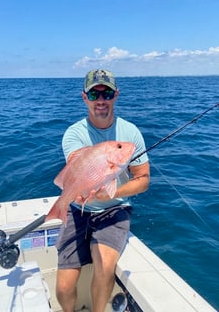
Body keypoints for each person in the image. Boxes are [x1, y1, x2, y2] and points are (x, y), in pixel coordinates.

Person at [55, 69, 150, 312]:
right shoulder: (73, 134)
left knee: (105, 267)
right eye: (94, 94)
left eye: (107, 93)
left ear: (116, 95)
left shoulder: (131, 133)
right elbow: (77, 172)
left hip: (115, 209)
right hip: (77, 208)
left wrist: (113, 193)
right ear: (84, 97)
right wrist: (77, 195)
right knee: (64, 286)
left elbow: (143, 180)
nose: (101, 100)